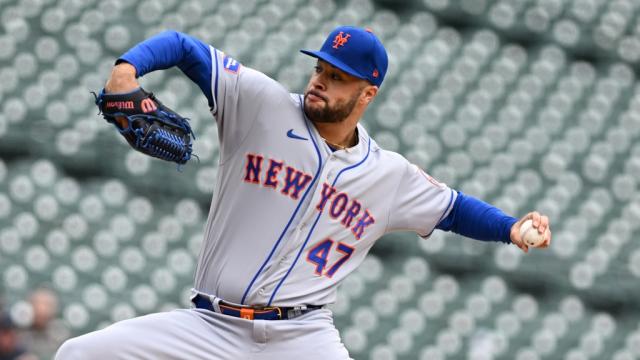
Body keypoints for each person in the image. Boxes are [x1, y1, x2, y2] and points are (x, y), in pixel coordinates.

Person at [56, 26, 551, 359]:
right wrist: (126, 71)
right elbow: (184, 48)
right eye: (320, 69)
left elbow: (454, 209)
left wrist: (511, 228)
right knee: (76, 354)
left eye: (337, 78)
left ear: (367, 94)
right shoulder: (259, 104)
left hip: (301, 338)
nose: (320, 82)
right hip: (210, 328)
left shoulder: (388, 174)